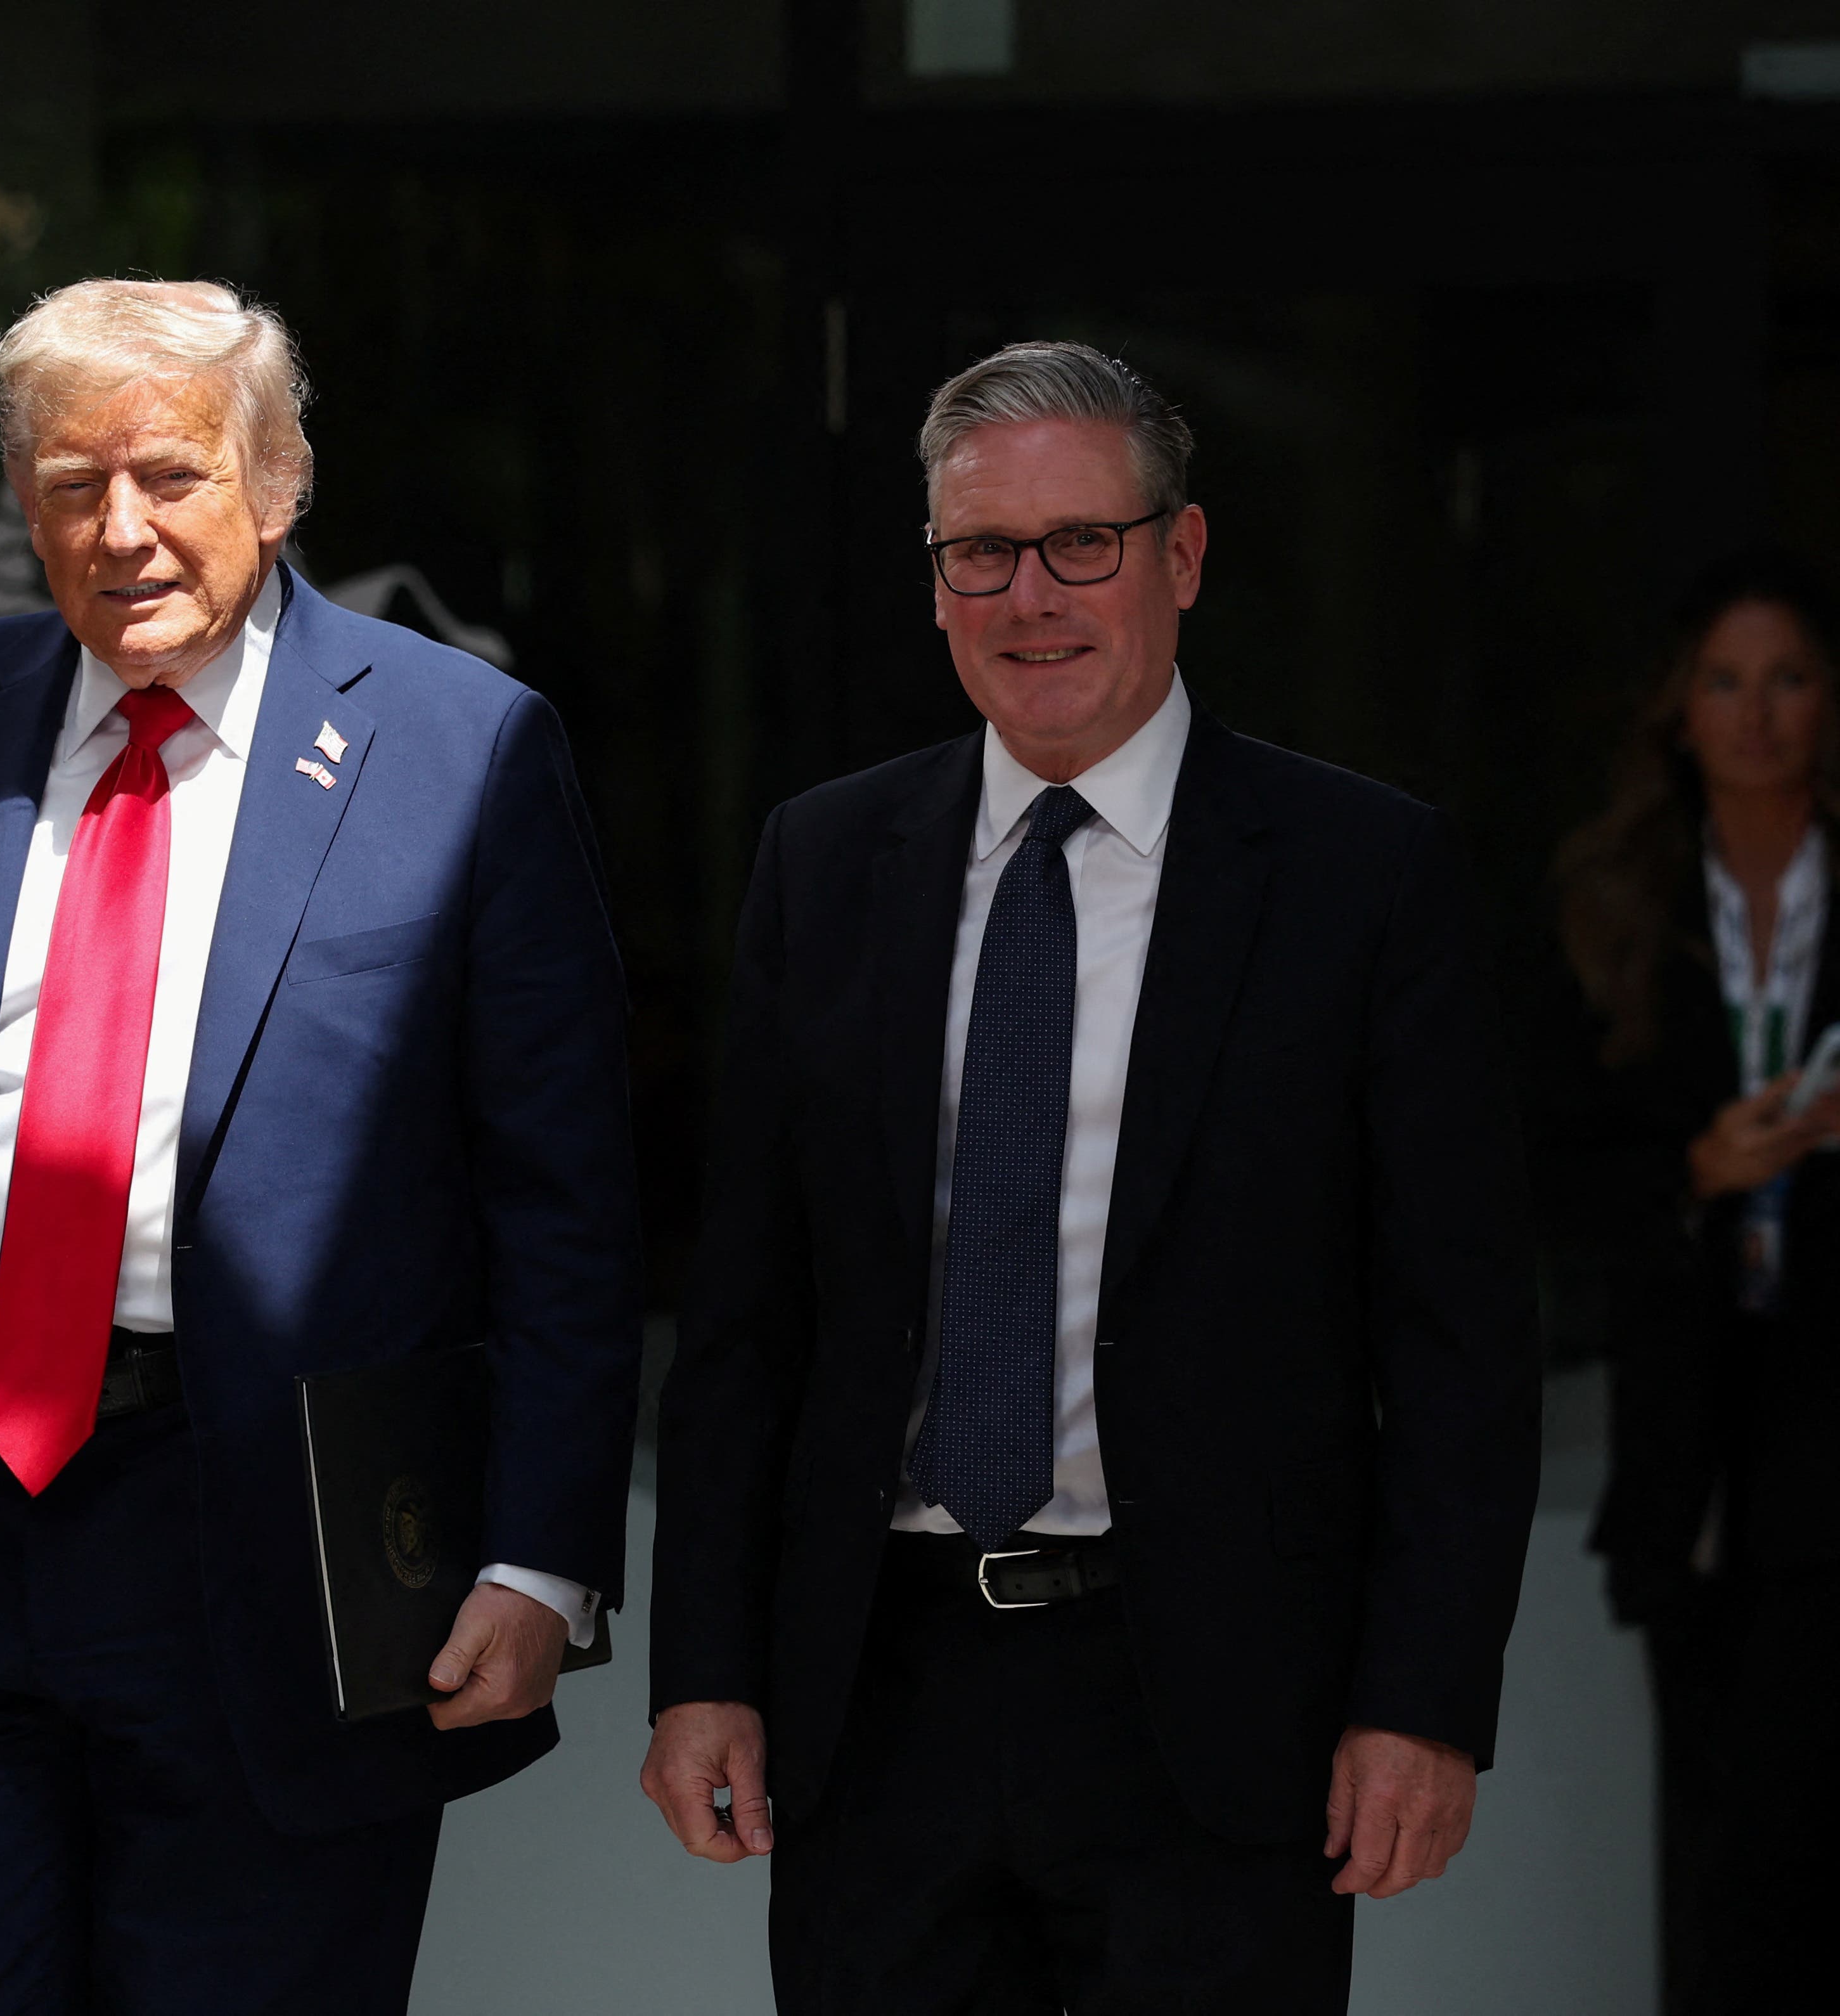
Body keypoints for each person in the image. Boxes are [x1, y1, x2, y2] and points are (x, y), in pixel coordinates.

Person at [0, 278, 644, 2013]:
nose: (119, 529)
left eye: (168, 475)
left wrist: (537, 1553)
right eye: (69, 485)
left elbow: (563, 1193)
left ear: (274, 483)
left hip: (278, 1536)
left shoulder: (457, 749)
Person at [640, 342, 1539, 2013]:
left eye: (1082, 544)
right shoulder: (825, 865)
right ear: (932, 581)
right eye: (980, 551)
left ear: (1179, 557)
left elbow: (1459, 1341)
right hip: (880, 1695)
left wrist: (1421, 1695)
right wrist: (704, 1670)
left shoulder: (1360, 875)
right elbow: (744, 1320)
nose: (1029, 594)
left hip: (1213, 1701)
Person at [1543, 554, 1840, 2013]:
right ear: (1678, 713)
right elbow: (1544, 1171)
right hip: (1694, 1436)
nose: (1757, 717)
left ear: (1836, 709)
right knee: (1714, 1831)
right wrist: (1698, 1171)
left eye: (1789, 680)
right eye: (1725, 683)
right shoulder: (1612, 912)